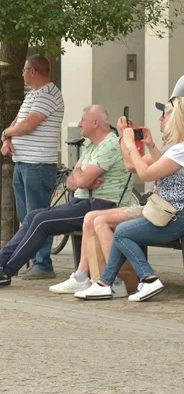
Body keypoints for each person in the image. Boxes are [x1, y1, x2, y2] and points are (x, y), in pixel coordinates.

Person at [0, 105, 131, 286]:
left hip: (102, 205)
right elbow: (72, 181)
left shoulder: (110, 144)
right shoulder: (91, 145)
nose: (79, 124)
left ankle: (2, 270)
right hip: (83, 201)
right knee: (34, 215)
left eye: (83, 120)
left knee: (42, 220)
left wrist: (80, 177)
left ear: (95, 123)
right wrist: (80, 176)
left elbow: (79, 181)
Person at [76, 94, 184, 302]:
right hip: (167, 213)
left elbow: (144, 174)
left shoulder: (180, 150)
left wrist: (130, 144)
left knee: (122, 233)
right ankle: (105, 283)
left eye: (164, 116)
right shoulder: (175, 149)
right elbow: (154, 165)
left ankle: (148, 278)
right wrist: (149, 145)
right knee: (122, 231)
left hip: (174, 216)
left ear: (174, 120)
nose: (161, 120)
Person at [0, 54, 64, 279]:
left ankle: (43, 263)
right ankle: (32, 259)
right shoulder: (32, 96)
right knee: (26, 215)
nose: (22, 74)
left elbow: (28, 125)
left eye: (24, 70)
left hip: (37, 164)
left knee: (38, 216)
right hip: (23, 162)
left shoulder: (49, 95)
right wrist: (7, 138)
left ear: (33, 71)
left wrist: (6, 134)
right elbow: (17, 122)